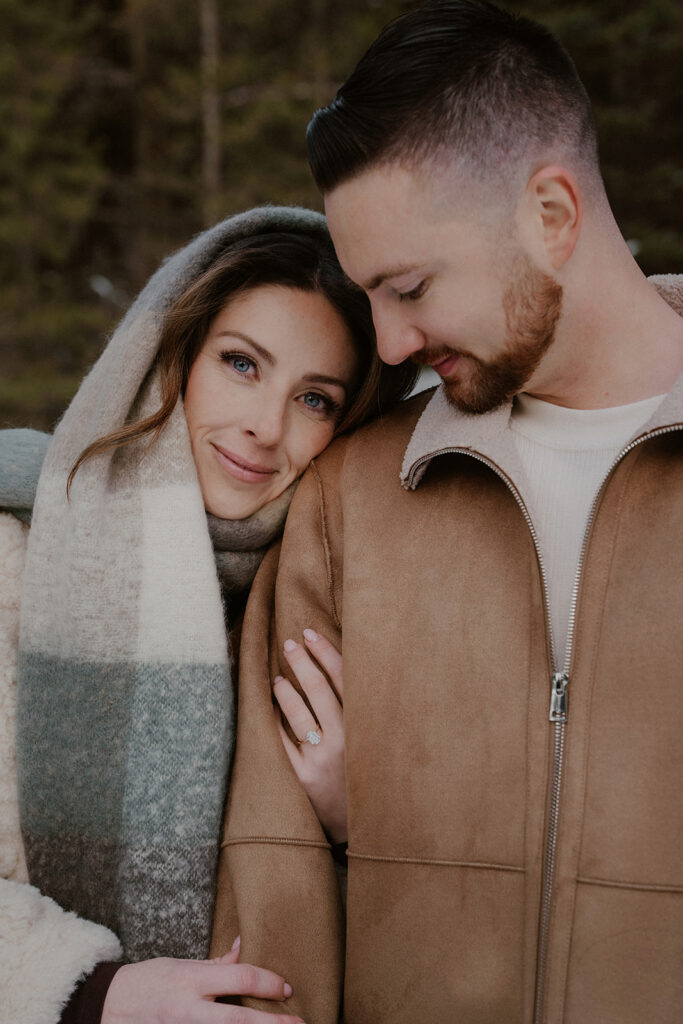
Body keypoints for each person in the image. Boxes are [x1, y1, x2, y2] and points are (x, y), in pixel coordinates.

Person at [213, 3, 683, 1022]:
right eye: (366, 296)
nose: (382, 346)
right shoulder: (350, 501)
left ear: (550, 214)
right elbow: (275, 875)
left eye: (410, 286)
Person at [0, 205, 415, 1024]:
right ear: (173, 358)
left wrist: (355, 817)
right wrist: (97, 993)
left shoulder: (330, 601)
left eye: (316, 400)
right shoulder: (16, 550)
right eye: (241, 364)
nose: (266, 427)